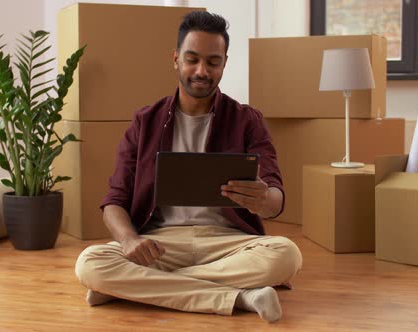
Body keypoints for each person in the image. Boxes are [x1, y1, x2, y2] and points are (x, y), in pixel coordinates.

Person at [75, 11, 302, 323]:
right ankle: (241, 296)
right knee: (90, 262)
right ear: (175, 58)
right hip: (161, 243)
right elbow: (114, 201)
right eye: (192, 59)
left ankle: (130, 288)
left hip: (229, 243)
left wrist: (265, 199)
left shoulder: (247, 120)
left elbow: (275, 197)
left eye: (213, 61)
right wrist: (129, 240)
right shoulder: (145, 122)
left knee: (287, 255)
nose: (201, 71)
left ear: (224, 63)